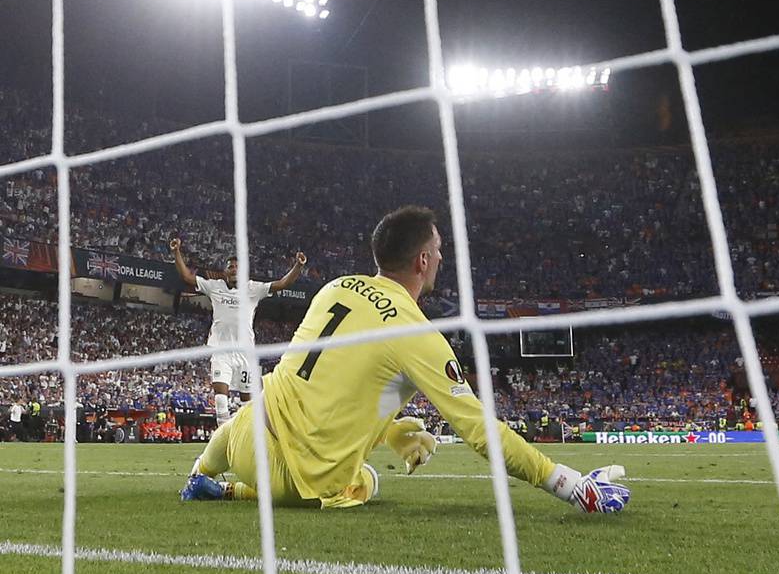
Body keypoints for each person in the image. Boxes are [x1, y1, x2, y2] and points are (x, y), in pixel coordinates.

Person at [180, 205, 628, 513]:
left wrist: (392, 431)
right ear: (421, 260)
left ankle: (201, 476)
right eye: (437, 248)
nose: (441, 256)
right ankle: (232, 494)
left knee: (263, 405)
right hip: (289, 481)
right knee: (366, 480)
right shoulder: (417, 334)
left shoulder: (335, 287)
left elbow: (328, 391)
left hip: (239, 438)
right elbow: (479, 431)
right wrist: (570, 485)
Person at [170, 239, 307, 425]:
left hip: (245, 353)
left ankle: (244, 441)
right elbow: (186, 277)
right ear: (225, 271)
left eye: (237, 266)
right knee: (220, 399)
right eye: (230, 266)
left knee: (247, 403)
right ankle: (223, 443)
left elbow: (282, 283)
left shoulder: (253, 289)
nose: (234, 269)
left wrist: (298, 266)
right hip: (221, 351)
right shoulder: (214, 286)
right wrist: (176, 251)